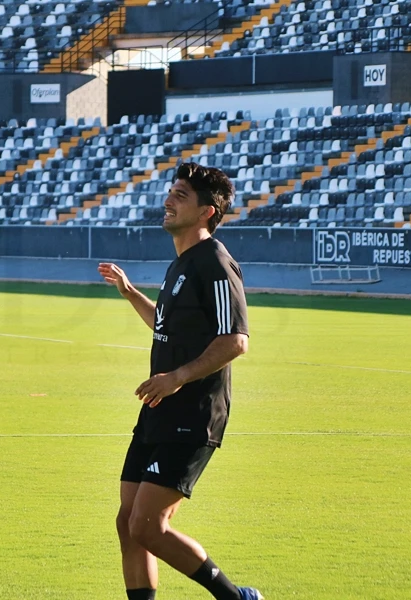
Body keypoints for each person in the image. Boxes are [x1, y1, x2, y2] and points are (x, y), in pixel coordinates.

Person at [98, 163, 263, 600]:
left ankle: (235, 597)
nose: (168, 201)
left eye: (181, 196)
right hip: (159, 407)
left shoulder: (215, 263)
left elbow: (235, 341)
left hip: (193, 411)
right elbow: (167, 327)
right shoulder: (181, 264)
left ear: (208, 211)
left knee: (148, 526)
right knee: (127, 521)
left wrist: (178, 377)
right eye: (170, 192)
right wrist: (132, 293)